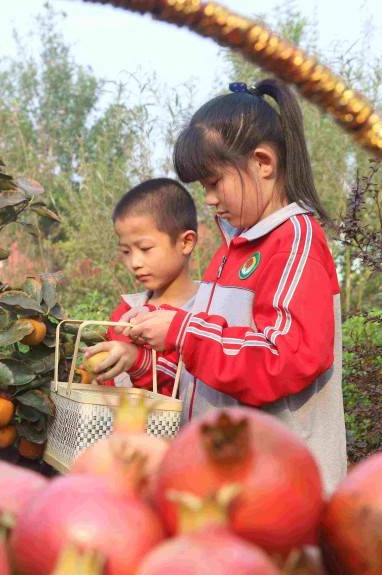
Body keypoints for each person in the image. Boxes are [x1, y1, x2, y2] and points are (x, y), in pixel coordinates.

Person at [127, 79, 347, 492]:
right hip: (235, 479)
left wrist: (181, 332)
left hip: (280, 486)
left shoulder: (294, 242)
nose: (208, 199)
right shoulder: (234, 251)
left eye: (213, 182)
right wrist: (142, 359)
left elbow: (286, 355)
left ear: (263, 162)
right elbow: (212, 366)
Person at [83, 178, 199, 417]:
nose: (134, 263)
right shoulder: (125, 312)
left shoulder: (204, 313)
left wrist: (137, 360)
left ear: (185, 242)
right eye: (126, 251)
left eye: (145, 249)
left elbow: (185, 388)